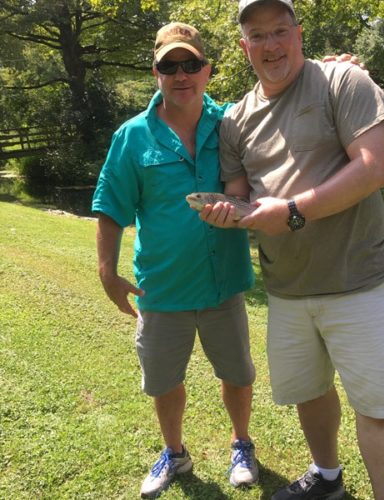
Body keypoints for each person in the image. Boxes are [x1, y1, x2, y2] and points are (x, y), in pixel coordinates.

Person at [200, 1, 384, 499]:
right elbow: (240, 197)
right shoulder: (235, 120)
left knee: (379, 409)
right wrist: (227, 214)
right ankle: (327, 479)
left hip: (358, 280)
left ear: (299, 34)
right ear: (244, 47)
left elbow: (373, 167)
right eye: (258, 36)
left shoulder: (343, 82)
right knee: (310, 392)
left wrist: (294, 211)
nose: (271, 45)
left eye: (280, 30)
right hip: (288, 289)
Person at [92, 22, 259, 499]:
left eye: (190, 64)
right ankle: (175, 452)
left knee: (237, 374)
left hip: (223, 283)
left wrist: (331, 72)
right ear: (156, 72)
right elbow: (110, 207)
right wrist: (108, 271)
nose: (181, 74)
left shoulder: (231, 122)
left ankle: (241, 444)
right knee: (165, 380)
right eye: (170, 65)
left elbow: (283, 108)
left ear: (207, 70)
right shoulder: (132, 136)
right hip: (161, 290)